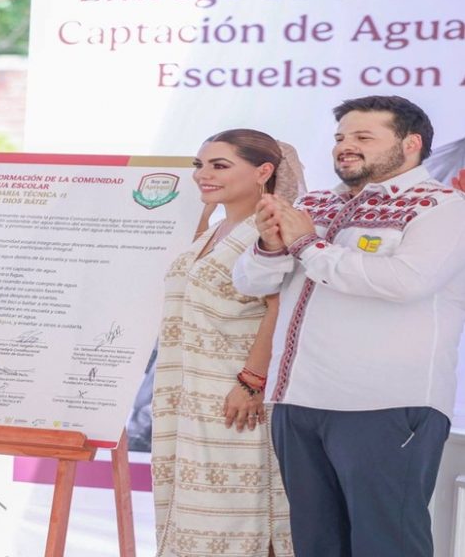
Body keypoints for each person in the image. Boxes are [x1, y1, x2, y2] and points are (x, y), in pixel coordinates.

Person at [233, 95, 465, 556]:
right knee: (316, 544)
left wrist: (307, 244)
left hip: (384, 405)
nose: (345, 146)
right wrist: (270, 244)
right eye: (340, 137)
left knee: (386, 543)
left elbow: (405, 281)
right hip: (297, 401)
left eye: (363, 137)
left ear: (411, 144)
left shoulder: (443, 207)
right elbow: (251, 281)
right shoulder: (315, 203)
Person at [152, 128, 305, 557]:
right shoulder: (216, 230)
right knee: (192, 514)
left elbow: (280, 309)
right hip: (187, 395)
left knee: (239, 515)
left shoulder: (271, 227)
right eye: (199, 165)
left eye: (220, 165)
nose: (204, 174)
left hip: (236, 395)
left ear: (264, 171)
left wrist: (251, 380)